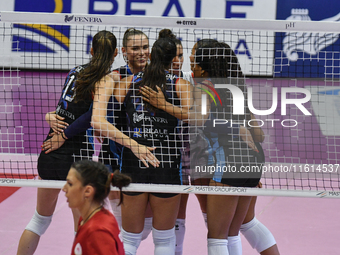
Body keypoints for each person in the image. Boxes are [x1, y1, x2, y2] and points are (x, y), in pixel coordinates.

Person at [16, 30, 118, 255]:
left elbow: (64, 109)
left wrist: (50, 117)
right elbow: (92, 116)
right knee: (82, 228)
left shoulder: (74, 72)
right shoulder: (106, 79)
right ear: (116, 53)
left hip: (49, 151)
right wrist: (64, 134)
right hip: (77, 159)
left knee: (39, 219)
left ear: (91, 51)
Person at [99, 36, 191, 255]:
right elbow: (194, 116)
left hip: (133, 161)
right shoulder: (181, 85)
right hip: (167, 164)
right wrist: (166, 106)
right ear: (174, 60)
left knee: (129, 238)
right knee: (164, 239)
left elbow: (107, 118)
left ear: (150, 55)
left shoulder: (126, 83)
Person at [190, 41, 263, 255]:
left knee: (217, 237)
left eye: (195, 61)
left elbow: (199, 121)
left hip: (229, 162)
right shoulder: (237, 87)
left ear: (203, 67)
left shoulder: (204, 87)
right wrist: (241, 129)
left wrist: (169, 107)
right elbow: (259, 134)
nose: (191, 65)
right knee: (234, 233)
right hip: (255, 161)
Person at [63, 160, 130, 255]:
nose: (64, 189)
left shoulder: (97, 231)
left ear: (88, 191)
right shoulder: (87, 218)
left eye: (70, 184)